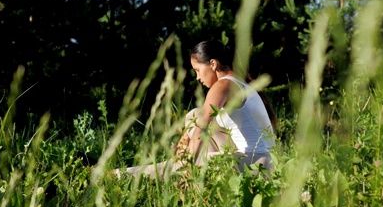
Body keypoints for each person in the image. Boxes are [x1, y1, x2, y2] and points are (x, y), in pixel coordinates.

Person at [114, 40, 276, 178]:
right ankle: (176, 163)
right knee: (194, 114)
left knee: (183, 167)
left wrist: (188, 166)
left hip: (257, 164)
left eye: (197, 70)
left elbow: (202, 127)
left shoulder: (223, 85)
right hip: (259, 160)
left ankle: (120, 175)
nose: (198, 77)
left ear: (213, 64)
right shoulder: (238, 82)